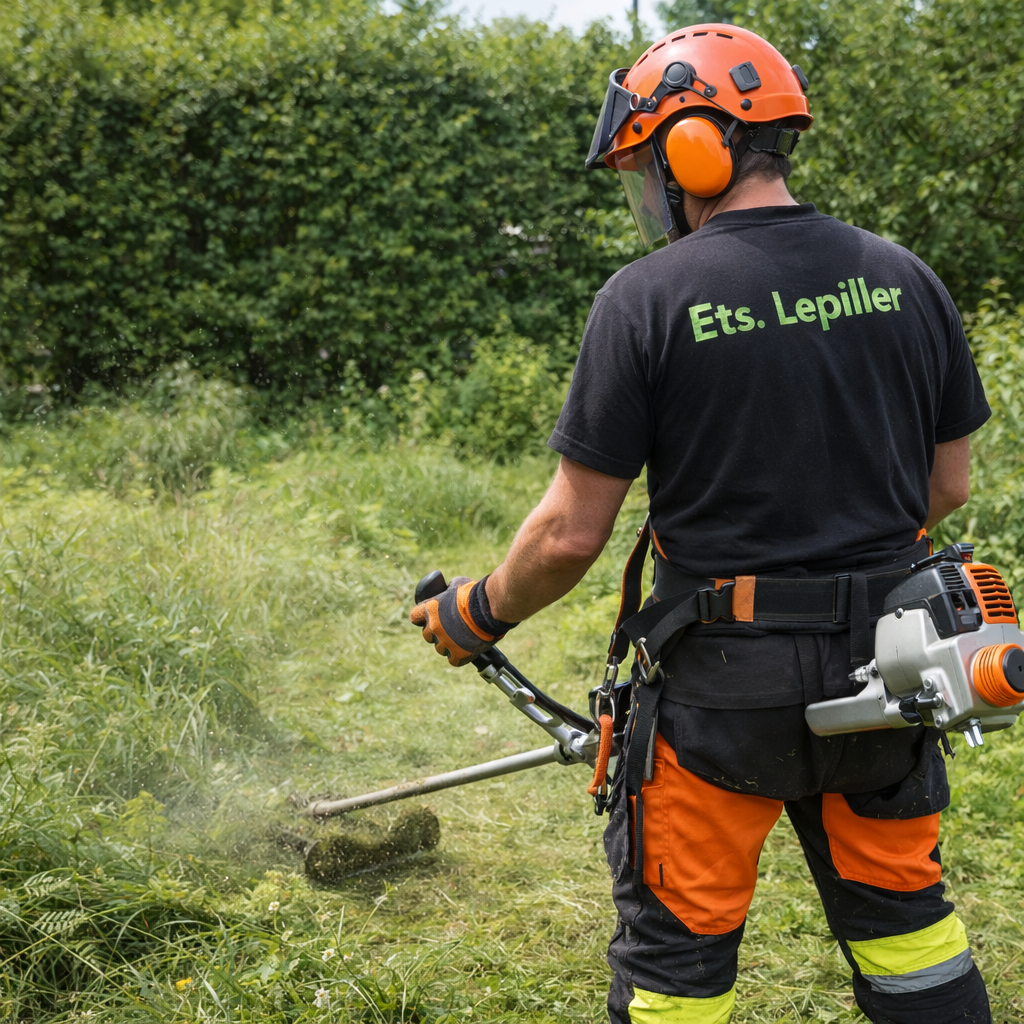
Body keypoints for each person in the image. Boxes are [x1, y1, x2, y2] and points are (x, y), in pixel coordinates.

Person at [410, 23, 993, 1024]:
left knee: (677, 964)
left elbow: (566, 537)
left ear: (697, 147)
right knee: (910, 930)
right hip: (891, 667)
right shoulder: (903, 276)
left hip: (724, 691)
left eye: (647, 170)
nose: (649, 197)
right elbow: (945, 487)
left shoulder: (644, 300)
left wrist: (477, 613)